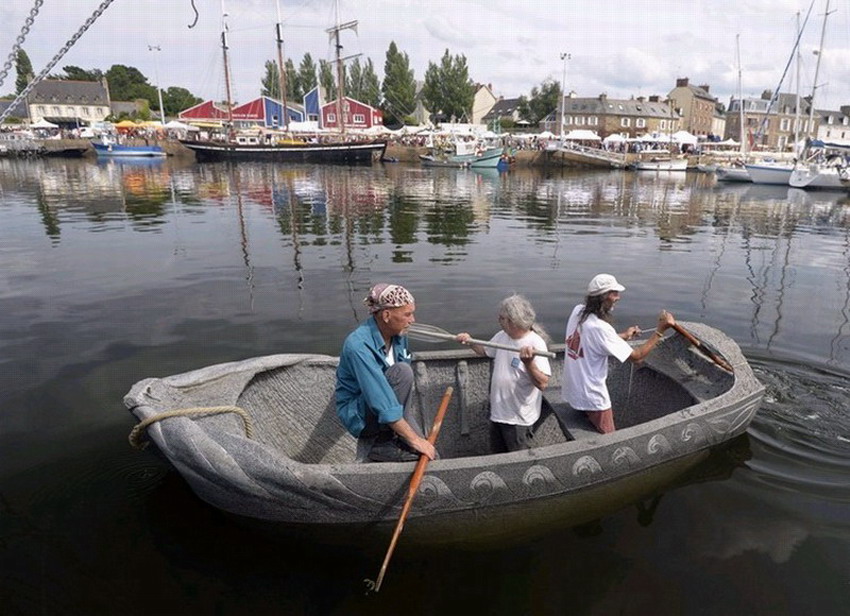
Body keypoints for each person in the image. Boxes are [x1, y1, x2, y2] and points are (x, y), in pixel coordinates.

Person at [562, 273, 675, 434]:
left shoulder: (578, 311)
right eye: (614, 293)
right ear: (603, 297)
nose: (618, 297)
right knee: (611, 439)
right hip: (593, 397)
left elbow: (592, 340)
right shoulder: (601, 328)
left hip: (574, 392)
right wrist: (660, 330)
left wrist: (624, 335)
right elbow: (637, 356)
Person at [335, 283, 436, 463]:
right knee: (401, 372)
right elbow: (379, 398)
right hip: (361, 414)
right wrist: (414, 439)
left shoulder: (399, 335)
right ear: (387, 315)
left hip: (392, 408)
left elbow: (399, 388)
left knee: (431, 457)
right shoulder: (358, 346)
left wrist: (415, 438)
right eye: (407, 314)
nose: (412, 320)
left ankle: (396, 435)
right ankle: (381, 444)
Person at [456, 295, 551, 452]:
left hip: (518, 418)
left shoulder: (535, 343)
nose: (498, 320)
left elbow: (542, 383)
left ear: (513, 322)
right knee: (498, 454)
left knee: (517, 457)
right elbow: (485, 351)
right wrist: (469, 341)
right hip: (498, 413)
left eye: (502, 318)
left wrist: (528, 363)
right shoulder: (502, 336)